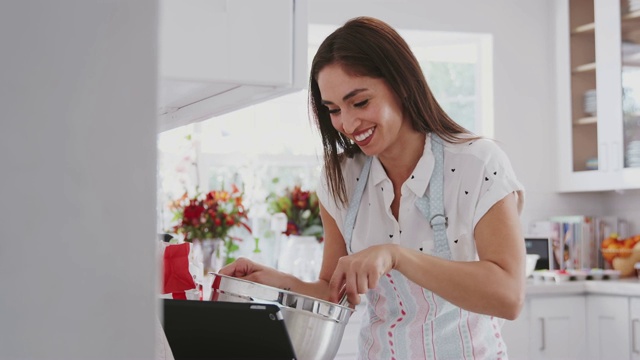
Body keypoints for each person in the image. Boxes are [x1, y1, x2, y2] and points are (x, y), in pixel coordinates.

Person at [220, 16, 525, 359]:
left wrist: (395, 256)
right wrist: (277, 285)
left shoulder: (477, 164)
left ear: (402, 84)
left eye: (360, 102)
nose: (347, 124)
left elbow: (509, 296)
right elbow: (333, 291)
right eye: (333, 110)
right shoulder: (341, 177)